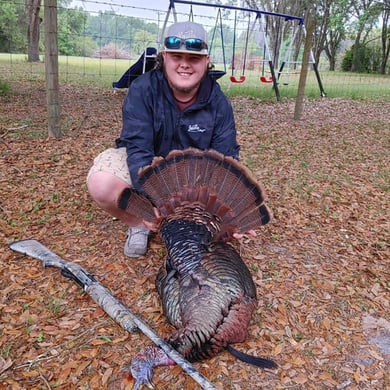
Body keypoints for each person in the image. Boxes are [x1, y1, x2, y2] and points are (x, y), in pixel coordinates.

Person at [87, 21, 241, 258]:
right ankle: (139, 224)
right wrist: (155, 203)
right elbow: (138, 151)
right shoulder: (142, 89)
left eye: (193, 58)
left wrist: (229, 212)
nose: (184, 65)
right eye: (176, 56)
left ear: (207, 61)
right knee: (102, 183)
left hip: (193, 173)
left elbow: (227, 158)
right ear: (164, 57)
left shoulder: (218, 102)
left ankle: (194, 223)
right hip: (149, 168)